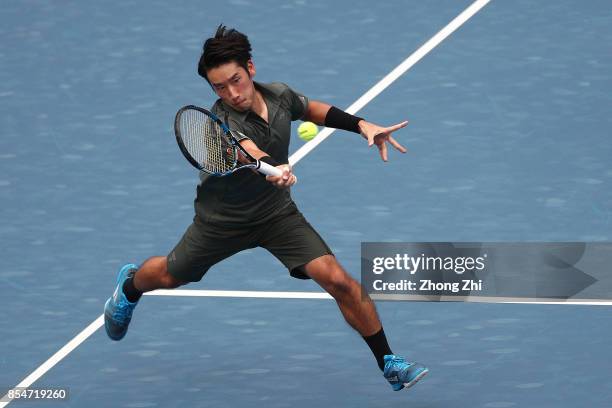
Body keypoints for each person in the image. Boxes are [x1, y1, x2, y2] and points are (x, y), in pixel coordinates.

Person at [104, 25, 428, 391]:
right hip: (220, 224)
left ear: (251, 69)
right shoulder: (220, 123)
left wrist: (361, 125)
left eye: (235, 80)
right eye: (219, 88)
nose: (231, 93)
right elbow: (248, 151)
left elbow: (312, 110)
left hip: (276, 216)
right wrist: (274, 168)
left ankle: (389, 362)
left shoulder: (278, 95)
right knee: (169, 276)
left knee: (338, 280)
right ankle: (129, 288)